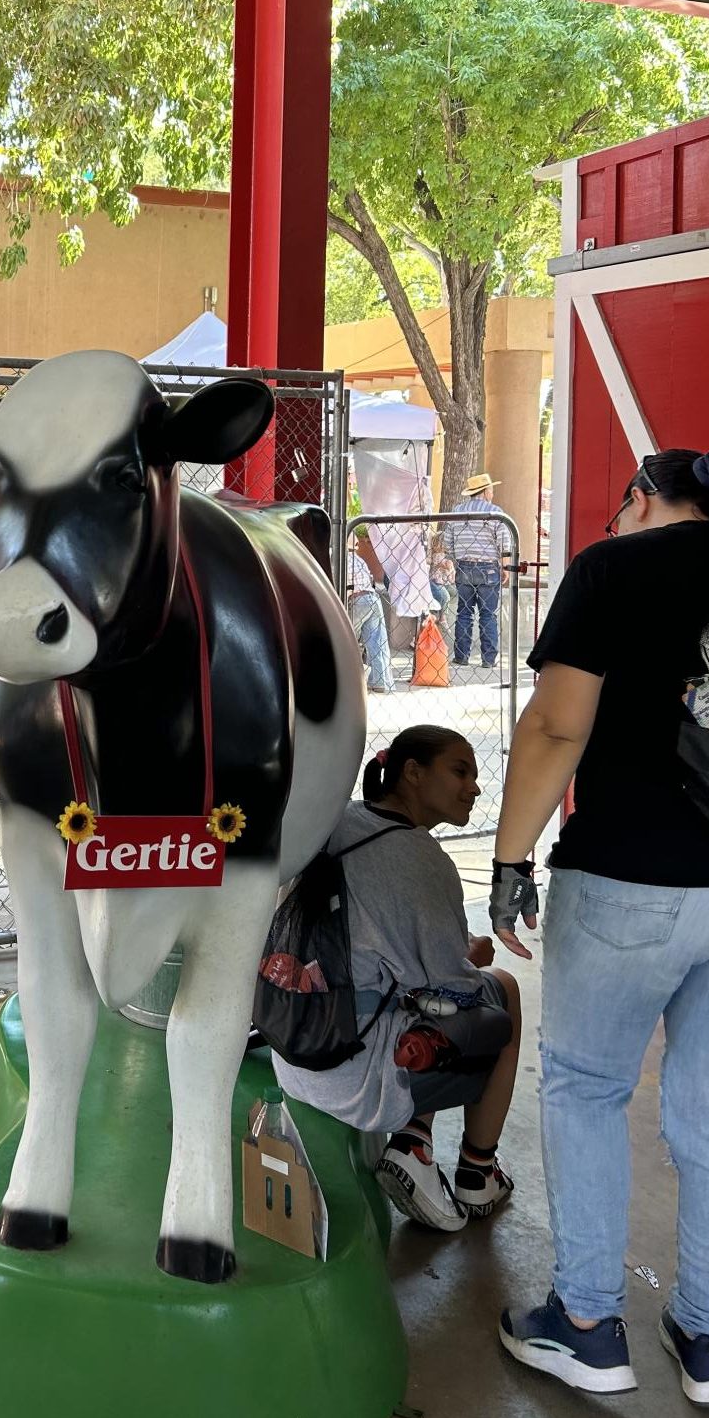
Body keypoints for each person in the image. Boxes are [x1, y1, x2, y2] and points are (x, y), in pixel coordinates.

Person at [489, 447, 709, 1410]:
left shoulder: (611, 568)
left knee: (588, 1085)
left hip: (632, 878)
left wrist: (512, 858)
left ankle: (589, 1323)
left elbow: (557, 726)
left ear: (646, 499)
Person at [273, 725, 521, 1233]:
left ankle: (415, 1143)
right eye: (460, 770)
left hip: (290, 1049)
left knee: (408, 988)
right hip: (351, 1074)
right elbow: (456, 987)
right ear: (412, 772)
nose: (474, 787)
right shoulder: (424, 863)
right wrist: (468, 954)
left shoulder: (335, 820)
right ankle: (477, 1169)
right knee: (500, 992)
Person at [443, 473, 510, 668]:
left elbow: (449, 541)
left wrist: (454, 561)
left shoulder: (457, 512)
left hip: (464, 566)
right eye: (491, 489)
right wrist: (505, 566)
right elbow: (503, 542)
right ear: (486, 491)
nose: (492, 492)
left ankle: (461, 656)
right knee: (488, 614)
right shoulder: (496, 512)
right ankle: (488, 659)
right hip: (488, 567)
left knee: (464, 613)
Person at [348, 527, 394, 696]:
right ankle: (379, 681)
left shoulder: (338, 559)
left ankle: (348, 677)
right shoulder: (359, 560)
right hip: (372, 598)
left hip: (357, 600)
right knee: (376, 641)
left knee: (347, 638)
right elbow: (370, 578)